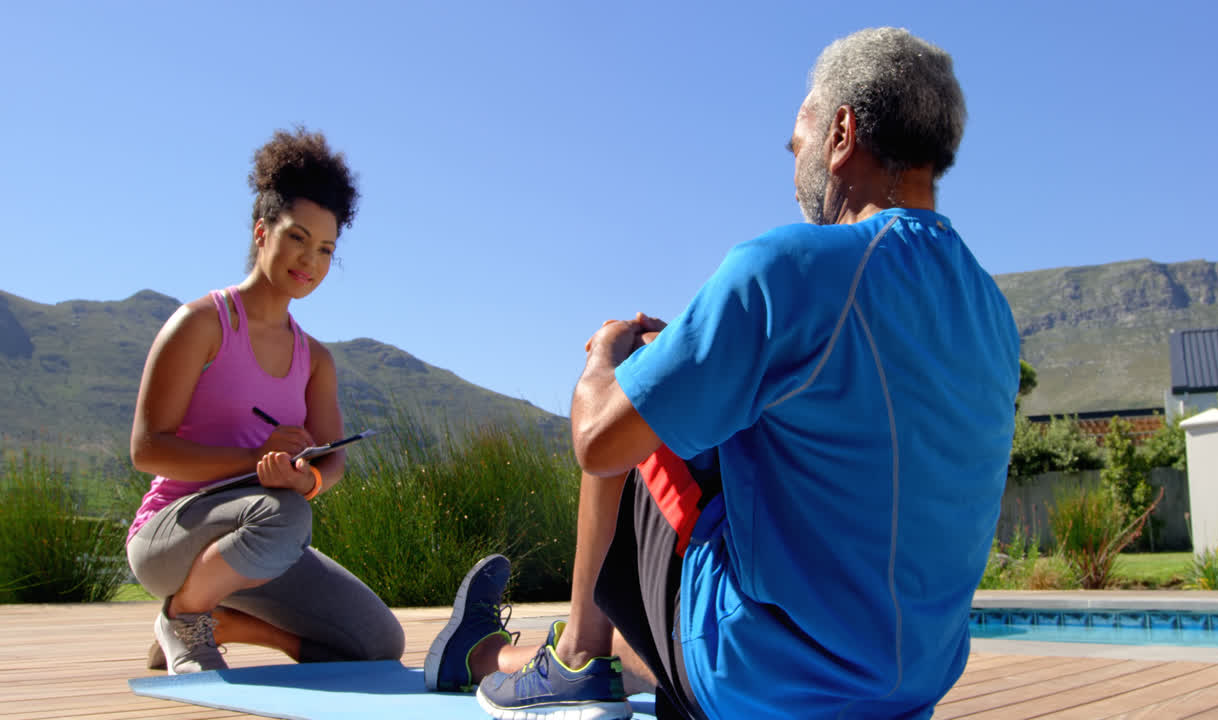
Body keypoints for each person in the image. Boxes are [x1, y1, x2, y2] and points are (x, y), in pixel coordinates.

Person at [424, 26, 1020, 719]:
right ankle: (494, 655)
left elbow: (596, 440)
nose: (793, 154)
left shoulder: (790, 269)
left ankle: (578, 661)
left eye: (799, 133)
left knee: (638, 392)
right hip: (912, 685)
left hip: (761, 678)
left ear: (841, 133)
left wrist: (606, 360)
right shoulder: (990, 311)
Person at [126, 128, 405, 675]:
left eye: (326, 249)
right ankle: (184, 615)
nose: (311, 260)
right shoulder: (201, 324)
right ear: (262, 232)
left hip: (260, 535)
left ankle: (227, 623)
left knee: (378, 643)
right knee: (283, 513)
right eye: (298, 238)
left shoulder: (316, 360)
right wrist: (256, 466)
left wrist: (308, 478)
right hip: (170, 536)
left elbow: (332, 462)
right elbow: (147, 450)